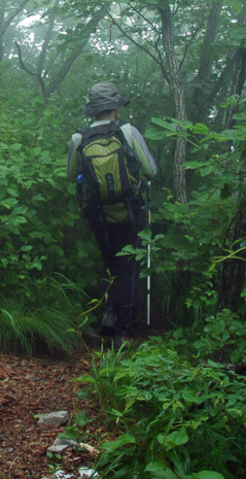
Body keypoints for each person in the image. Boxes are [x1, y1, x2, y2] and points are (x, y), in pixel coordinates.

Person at [67, 82, 157, 347]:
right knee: (129, 267)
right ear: (116, 108)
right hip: (130, 212)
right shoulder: (127, 133)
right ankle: (126, 333)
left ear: (93, 110)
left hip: (99, 216)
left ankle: (109, 314)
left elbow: (72, 177)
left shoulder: (79, 139)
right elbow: (151, 171)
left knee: (110, 263)